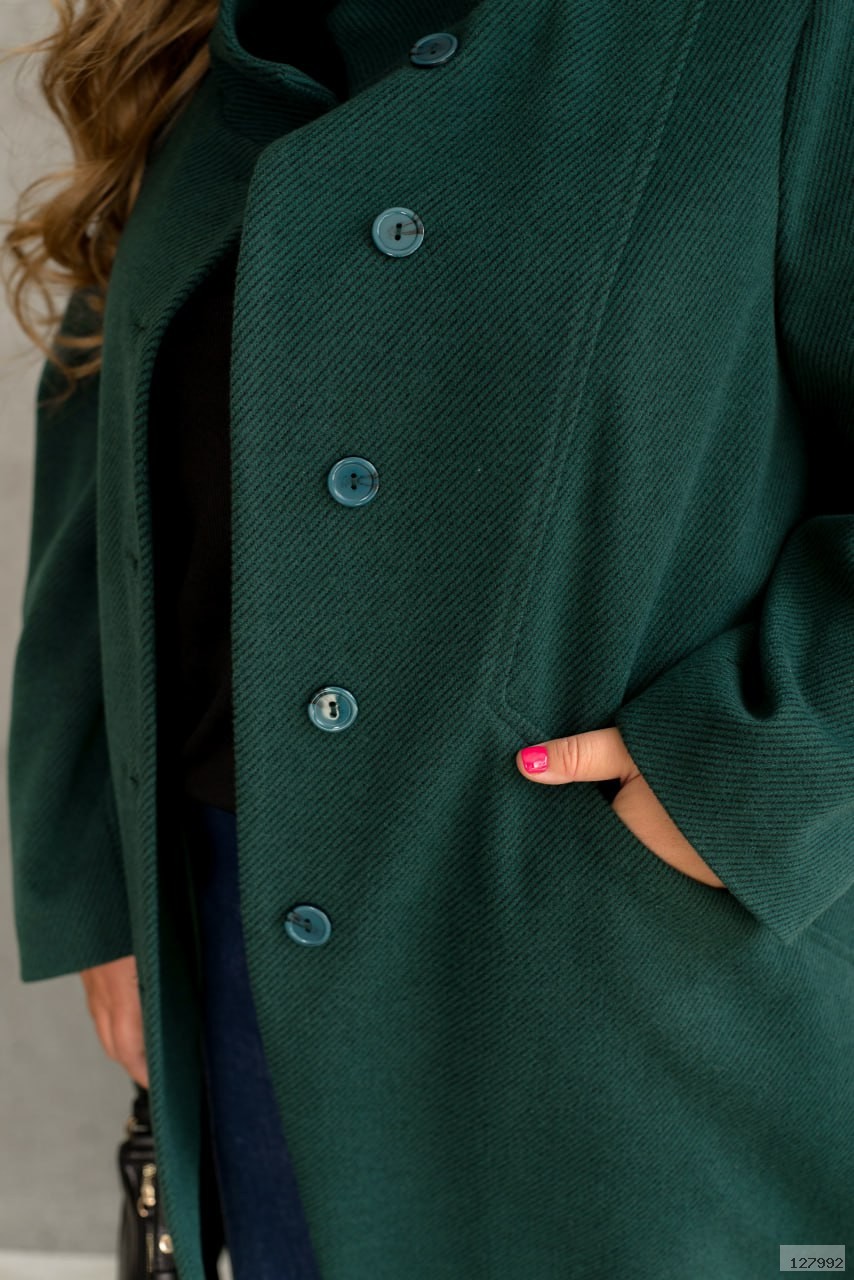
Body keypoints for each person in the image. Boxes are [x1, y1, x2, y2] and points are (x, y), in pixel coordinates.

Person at [3, 0, 853, 1276]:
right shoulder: (207, 33)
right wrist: (100, 884)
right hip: (243, 953)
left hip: (624, 989)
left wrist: (759, 764)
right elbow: (100, 443)